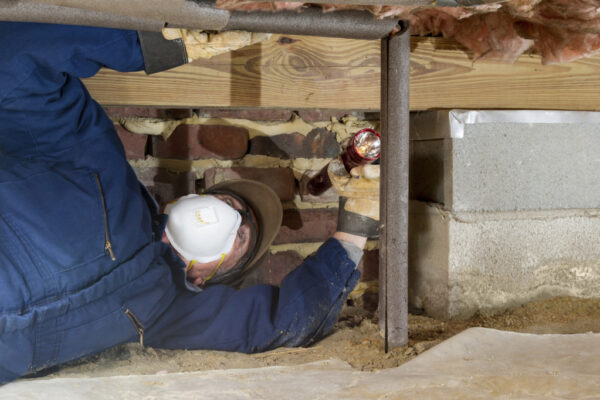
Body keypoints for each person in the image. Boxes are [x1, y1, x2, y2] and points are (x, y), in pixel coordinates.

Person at [0, 22, 379, 384]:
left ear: (205, 278)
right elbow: (17, 63)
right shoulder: (98, 162)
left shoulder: (170, 312)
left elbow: (282, 322)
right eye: (227, 200)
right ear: (179, 202)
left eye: (241, 235)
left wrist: (356, 228)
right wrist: (164, 40)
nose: (232, 212)